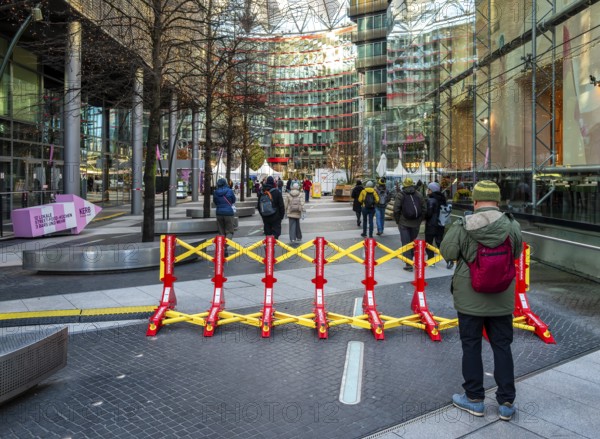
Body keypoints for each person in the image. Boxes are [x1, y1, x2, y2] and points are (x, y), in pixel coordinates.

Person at [440, 180, 522, 421]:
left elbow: (448, 252)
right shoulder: (512, 225)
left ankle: (474, 399)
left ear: (475, 201)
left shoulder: (464, 224)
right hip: (502, 296)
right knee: (502, 346)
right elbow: (516, 253)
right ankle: (506, 402)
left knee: (471, 345)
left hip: (470, 298)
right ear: (498, 201)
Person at [392, 177, 426, 272]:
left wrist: (398, 220)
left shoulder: (400, 195)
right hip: (416, 223)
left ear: (404, 184)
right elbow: (424, 208)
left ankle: (408, 263)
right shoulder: (418, 194)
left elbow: (396, 209)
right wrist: (419, 220)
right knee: (412, 241)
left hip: (404, 223)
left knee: (406, 242)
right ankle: (412, 258)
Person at [424, 182, 448, 268]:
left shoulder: (431, 200)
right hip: (440, 224)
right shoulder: (443, 199)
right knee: (439, 243)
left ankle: (431, 260)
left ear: (432, 190)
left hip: (431, 225)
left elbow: (428, 213)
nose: (427, 190)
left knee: (429, 243)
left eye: (429, 189)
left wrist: (424, 216)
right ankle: (448, 260)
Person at [212, 178, 236, 256]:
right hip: (229, 213)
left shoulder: (215, 192)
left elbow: (215, 201)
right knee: (230, 231)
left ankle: (223, 247)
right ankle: (224, 247)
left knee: (221, 232)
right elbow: (233, 200)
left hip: (219, 213)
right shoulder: (229, 191)